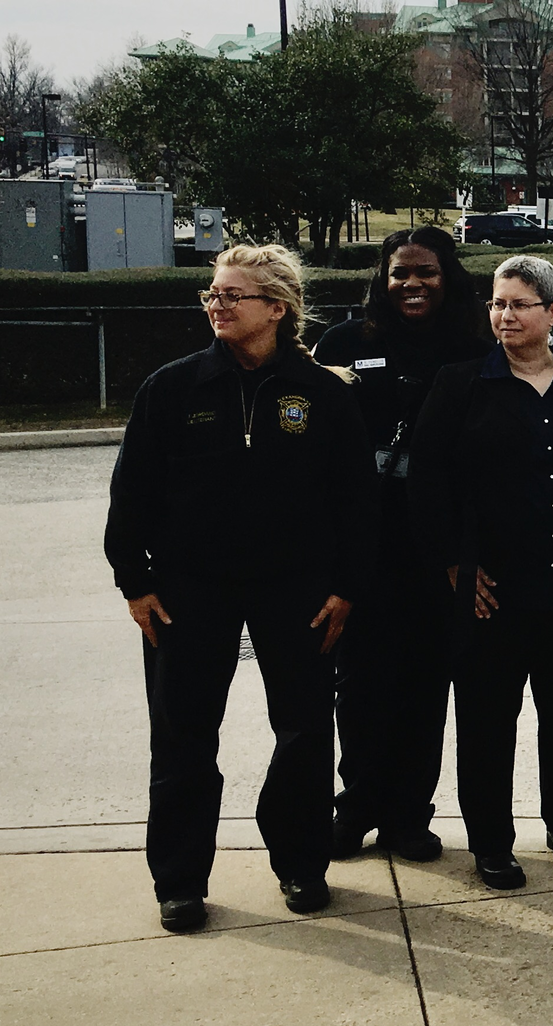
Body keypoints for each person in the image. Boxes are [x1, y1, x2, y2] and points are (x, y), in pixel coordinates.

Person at [104, 244, 374, 932]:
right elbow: (131, 493)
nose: (217, 306)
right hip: (188, 590)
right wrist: (135, 582)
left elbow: (355, 502)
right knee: (183, 737)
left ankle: (301, 862)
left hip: (300, 589)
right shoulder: (173, 387)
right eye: (212, 295)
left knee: (306, 731)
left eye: (233, 296)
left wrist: (346, 585)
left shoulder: (322, 394)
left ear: (276, 309)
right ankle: (181, 882)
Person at [409, 255, 553, 890]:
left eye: (519, 304)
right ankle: (491, 842)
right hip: (490, 592)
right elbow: (427, 484)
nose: (504, 315)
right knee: (488, 720)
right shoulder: (460, 384)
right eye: (496, 304)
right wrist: (454, 563)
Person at [315, 227, 488, 865]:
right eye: (398, 273)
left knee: (423, 687)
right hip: (363, 550)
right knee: (358, 688)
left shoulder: (474, 350)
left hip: (438, 554)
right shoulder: (342, 345)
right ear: (381, 281)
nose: (411, 284)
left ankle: (410, 817)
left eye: (426, 272)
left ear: (450, 278)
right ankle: (356, 806)